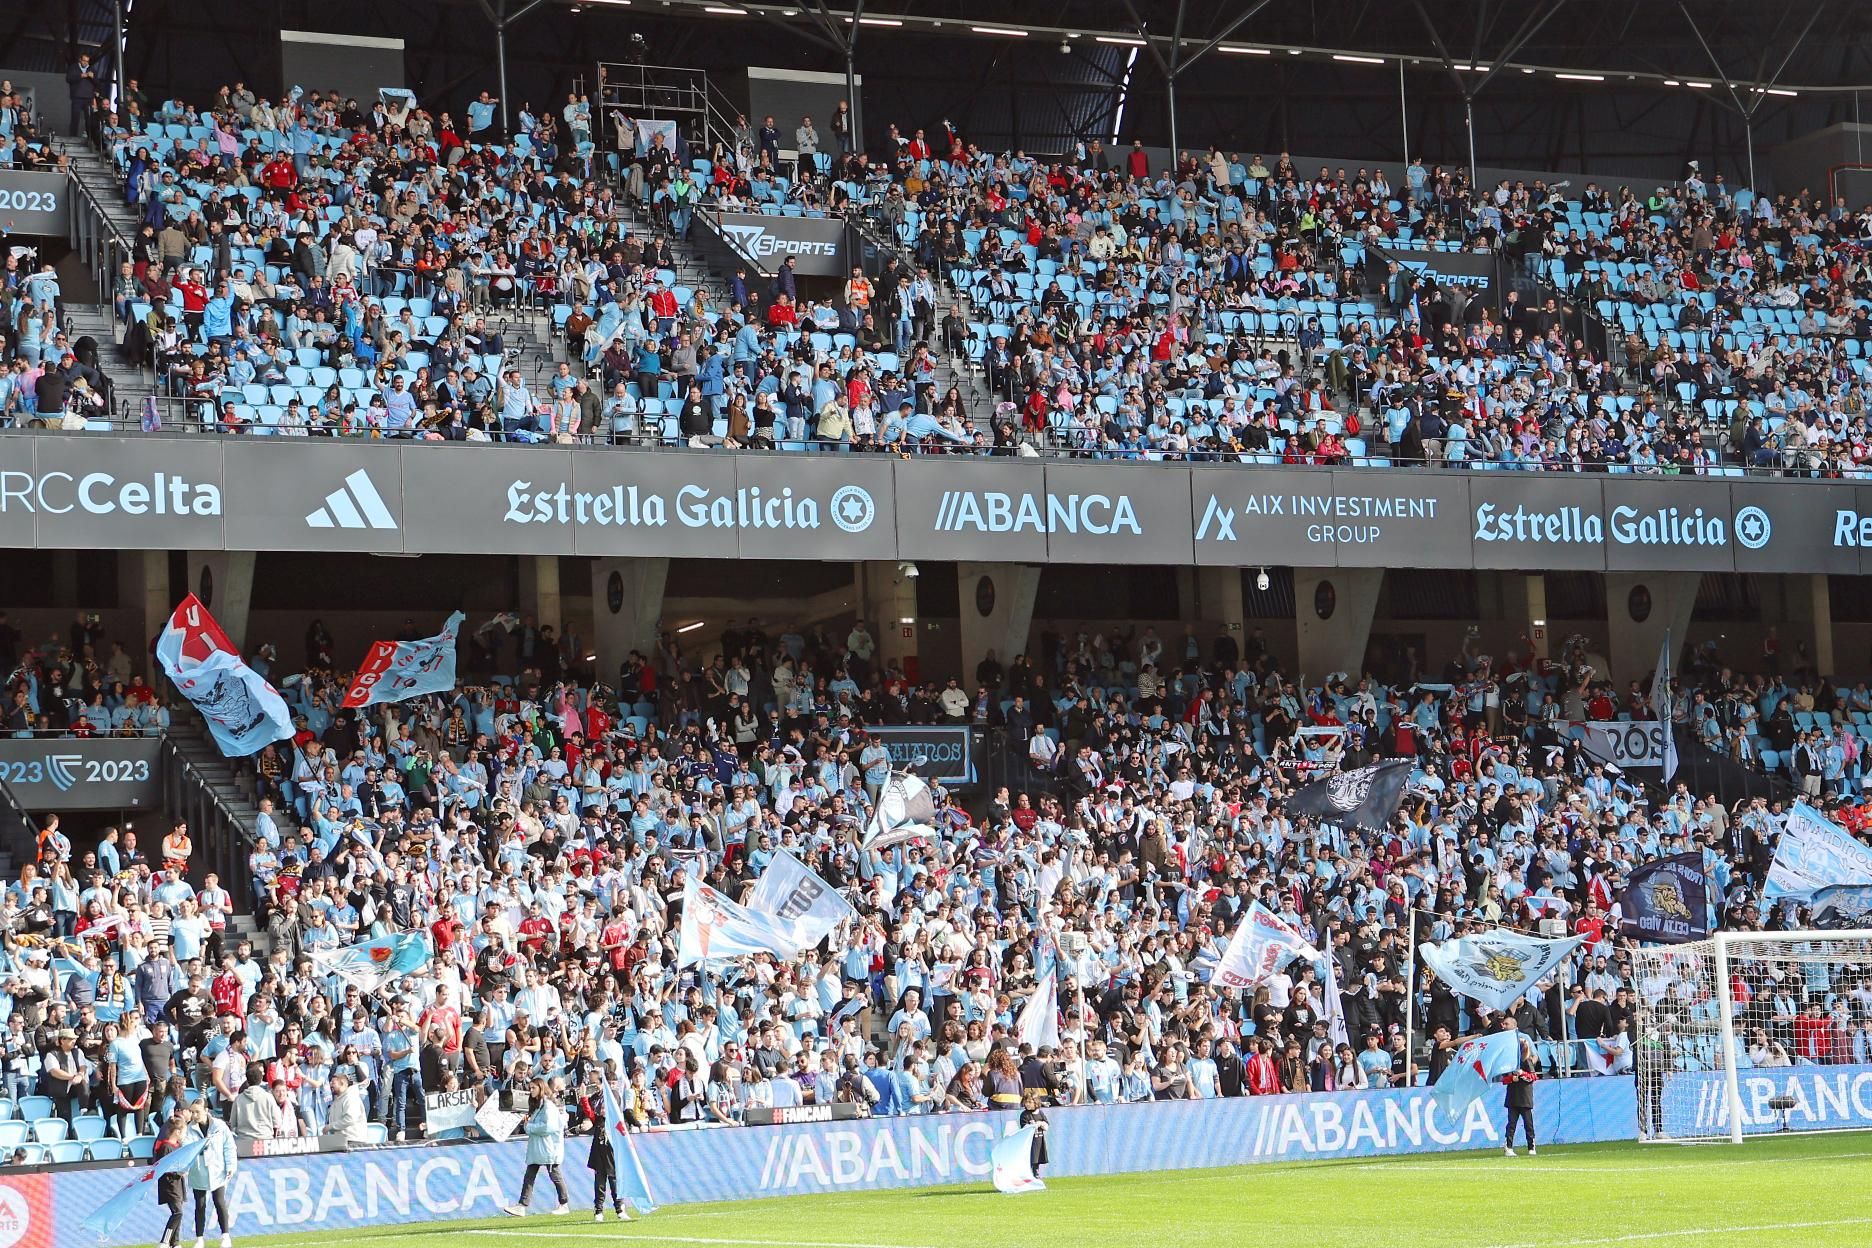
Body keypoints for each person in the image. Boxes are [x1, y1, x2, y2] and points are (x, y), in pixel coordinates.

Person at [505, 1077, 571, 1216]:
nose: (531, 1091)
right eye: (530, 1088)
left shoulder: (548, 1106)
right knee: (529, 1176)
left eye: (533, 1088)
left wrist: (529, 1127)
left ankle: (564, 1203)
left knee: (555, 1175)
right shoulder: (538, 1106)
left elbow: (549, 1126)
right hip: (538, 1148)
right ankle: (522, 1205)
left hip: (548, 1148)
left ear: (541, 1088)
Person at [184, 1098, 238, 1248]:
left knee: (219, 1201)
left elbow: (229, 1147)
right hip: (198, 1171)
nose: (194, 1115)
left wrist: (231, 1166)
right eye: (192, 1112)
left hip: (217, 1170)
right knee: (200, 1205)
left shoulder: (220, 1126)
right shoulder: (189, 1129)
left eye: (197, 1112)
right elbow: (186, 1148)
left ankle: (225, 1236)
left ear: (206, 1111)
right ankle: (200, 1239)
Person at [154, 1113, 191, 1248]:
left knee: (179, 1213)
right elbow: (165, 1167)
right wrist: (179, 1171)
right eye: (183, 1133)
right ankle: (165, 1241)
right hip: (169, 1185)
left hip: (178, 1185)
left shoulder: (177, 1146)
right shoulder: (165, 1147)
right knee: (177, 1212)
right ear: (177, 1131)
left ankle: (175, 1243)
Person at [1502, 1021, 1539, 1157]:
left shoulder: (1527, 1061)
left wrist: (1522, 1074)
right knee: (1511, 1124)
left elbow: (1533, 1077)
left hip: (1525, 1097)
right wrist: (1512, 1078)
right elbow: (1504, 1080)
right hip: (1512, 1096)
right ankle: (1508, 1147)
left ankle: (1531, 1146)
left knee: (1528, 1124)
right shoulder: (1509, 1063)